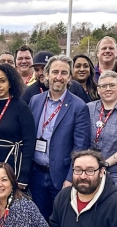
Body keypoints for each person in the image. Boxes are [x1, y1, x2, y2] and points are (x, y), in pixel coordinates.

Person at [27, 55, 90, 218]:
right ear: (46, 74)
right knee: (38, 221)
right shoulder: (35, 100)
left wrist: (70, 179)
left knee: (61, 222)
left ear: (69, 77)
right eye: (55, 72)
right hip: (36, 175)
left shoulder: (79, 106)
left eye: (64, 73)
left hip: (61, 177)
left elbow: (80, 148)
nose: (59, 77)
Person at [0, 64, 36, 191]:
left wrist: (23, 176)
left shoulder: (21, 107)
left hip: (12, 164)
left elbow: (29, 143)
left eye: (2, 81)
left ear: (10, 83)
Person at [21, 51, 89, 105]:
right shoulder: (29, 92)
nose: (41, 73)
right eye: (36, 70)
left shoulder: (75, 87)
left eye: (43, 68)